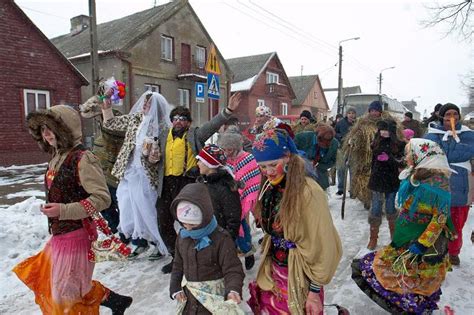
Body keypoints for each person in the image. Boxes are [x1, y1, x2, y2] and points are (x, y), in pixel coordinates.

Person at [13, 105, 132, 314]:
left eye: (51, 128)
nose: (46, 134)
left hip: (77, 235)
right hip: (60, 235)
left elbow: (102, 199)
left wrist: (63, 210)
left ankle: (113, 301)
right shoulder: (57, 155)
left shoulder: (83, 158)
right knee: (64, 286)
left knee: (65, 297)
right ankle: (115, 300)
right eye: (42, 129)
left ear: (66, 128)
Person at [352, 138, 456, 314]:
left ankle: (417, 309)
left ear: (421, 155)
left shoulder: (438, 182)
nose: (406, 156)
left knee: (415, 281)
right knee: (397, 276)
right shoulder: (416, 173)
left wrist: (422, 244)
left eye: (410, 153)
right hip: (406, 236)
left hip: (422, 244)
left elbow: (440, 218)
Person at [248, 129, 342, 314]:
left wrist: (314, 292)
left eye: (273, 164)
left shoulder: (308, 192)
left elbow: (323, 246)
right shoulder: (269, 185)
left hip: (300, 274)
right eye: (262, 166)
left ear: (289, 157)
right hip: (275, 269)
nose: (268, 172)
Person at [155, 93, 242, 274]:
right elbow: (155, 160)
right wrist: (151, 157)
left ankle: (198, 255)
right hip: (165, 183)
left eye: (183, 119)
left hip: (187, 182)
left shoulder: (194, 134)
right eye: (175, 118)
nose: (178, 121)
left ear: (188, 122)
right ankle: (176, 256)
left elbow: (212, 125)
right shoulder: (163, 135)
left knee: (190, 221)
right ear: (171, 121)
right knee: (163, 222)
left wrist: (228, 111)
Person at [100, 91, 171, 260]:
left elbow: (165, 153)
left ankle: (158, 244)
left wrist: (156, 157)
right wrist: (107, 108)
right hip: (129, 172)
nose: (145, 107)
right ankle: (140, 241)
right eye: (144, 104)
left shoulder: (163, 127)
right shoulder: (135, 119)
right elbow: (111, 124)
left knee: (147, 210)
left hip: (147, 175)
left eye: (148, 105)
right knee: (128, 208)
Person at [169, 183, 245, 314]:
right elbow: (177, 265)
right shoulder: (183, 237)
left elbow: (232, 269)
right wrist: (175, 287)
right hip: (190, 299)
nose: (187, 228)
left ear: (204, 217)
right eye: (183, 223)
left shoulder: (221, 239)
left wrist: (233, 289)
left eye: (192, 224)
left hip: (215, 299)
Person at [425, 103, 474, 265]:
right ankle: (437, 250)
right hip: (437, 182)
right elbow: (426, 152)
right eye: (448, 115)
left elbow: (465, 152)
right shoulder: (432, 135)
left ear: (459, 116)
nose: (451, 117)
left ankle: (453, 252)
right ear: (441, 117)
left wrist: (444, 153)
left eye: (455, 114)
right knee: (435, 219)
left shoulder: (468, 135)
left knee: (457, 222)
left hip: (461, 181)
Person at [342, 100, 401, 209]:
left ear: (380, 111)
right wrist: (352, 141)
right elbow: (356, 136)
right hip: (365, 158)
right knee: (365, 180)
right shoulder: (362, 124)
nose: (374, 113)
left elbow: (396, 139)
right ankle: (368, 200)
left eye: (376, 111)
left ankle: (380, 203)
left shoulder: (388, 123)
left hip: (383, 158)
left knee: (381, 181)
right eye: (372, 110)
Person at [218, 130, 262, 270]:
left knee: (242, 225)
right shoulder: (223, 161)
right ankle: (234, 252)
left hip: (243, 200)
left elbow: (254, 178)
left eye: (230, 149)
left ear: (237, 147)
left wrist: (243, 190)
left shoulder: (248, 159)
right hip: (228, 200)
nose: (227, 152)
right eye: (224, 149)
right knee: (230, 228)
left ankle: (247, 251)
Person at [367, 120, 406, 250]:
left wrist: (390, 159)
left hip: (391, 180)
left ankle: (394, 236)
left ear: (392, 131)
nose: (383, 132)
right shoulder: (375, 143)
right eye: (381, 129)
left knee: (390, 208)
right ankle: (373, 238)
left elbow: (402, 163)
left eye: (386, 130)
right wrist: (372, 174)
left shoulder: (399, 145)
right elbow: (373, 162)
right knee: (376, 208)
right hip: (377, 179)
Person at [195, 144, 242, 239]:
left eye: (200, 160)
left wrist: (226, 239)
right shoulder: (202, 183)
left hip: (219, 239)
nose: (198, 163)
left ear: (209, 164)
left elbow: (233, 217)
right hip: (204, 236)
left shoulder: (225, 187)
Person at [335, 107, 357, 195]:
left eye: (353, 113)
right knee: (341, 168)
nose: (351, 115)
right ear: (346, 114)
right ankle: (341, 188)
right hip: (342, 148)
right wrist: (341, 137)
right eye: (349, 113)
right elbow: (335, 133)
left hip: (354, 149)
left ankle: (353, 189)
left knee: (353, 169)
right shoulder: (340, 123)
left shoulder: (357, 123)